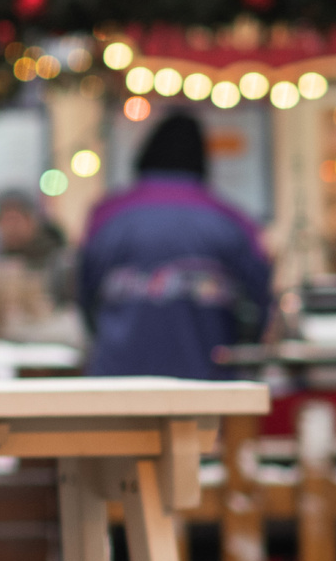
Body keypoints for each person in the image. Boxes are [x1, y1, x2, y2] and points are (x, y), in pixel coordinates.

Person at [76, 111, 272, 378]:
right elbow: (258, 301)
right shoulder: (232, 221)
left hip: (117, 379)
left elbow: (85, 295)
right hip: (205, 379)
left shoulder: (106, 216)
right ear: (202, 159)